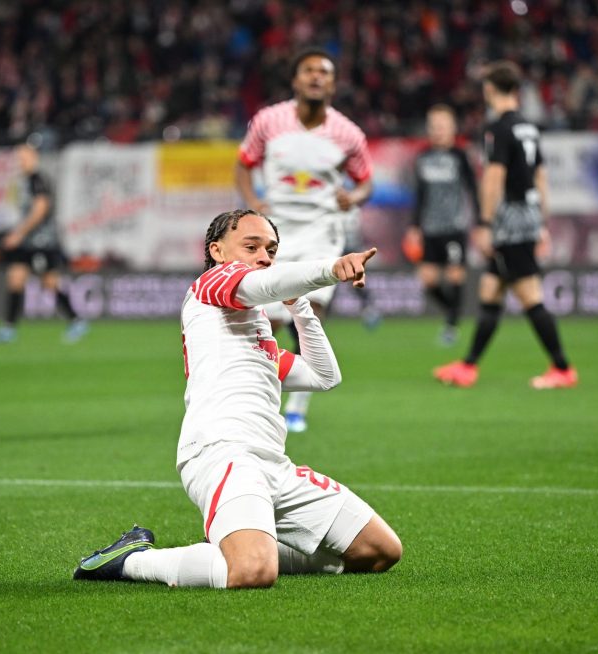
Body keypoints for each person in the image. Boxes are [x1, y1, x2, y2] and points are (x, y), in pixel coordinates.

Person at [72, 209, 401, 589]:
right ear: (217, 251)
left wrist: (299, 305)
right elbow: (264, 284)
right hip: (222, 452)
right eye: (251, 246)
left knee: (380, 551)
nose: (264, 256)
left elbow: (324, 376)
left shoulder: (255, 338)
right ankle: (130, 560)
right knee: (252, 572)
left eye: (271, 250)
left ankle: (235, 548)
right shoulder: (210, 286)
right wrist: (330, 269)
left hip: (274, 465)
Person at [235, 48, 374, 433]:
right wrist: (251, 203)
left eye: (324, 72)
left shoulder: (348, 133)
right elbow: (243, 164)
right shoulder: (268, 121)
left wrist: (354, 198)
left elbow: (366, 181)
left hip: (321, 231)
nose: (316, 77)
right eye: (309, 70)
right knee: (268, 318)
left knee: (308, 311)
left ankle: (297, 407)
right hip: (274, 232)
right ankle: (256, 398)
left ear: (333, 84)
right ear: (295, 80)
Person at [434, 62, 578, 389]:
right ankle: (468, 366)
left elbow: (494, 177)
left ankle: (562, 368)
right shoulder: (529, 128)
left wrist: (485, 223)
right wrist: (542, 221)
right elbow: (540, 176)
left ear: (489, 90)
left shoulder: (498, 128)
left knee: (529, 294)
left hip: (510, 220)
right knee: (490, 290)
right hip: (528, 214)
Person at [0, 143, 88, 344]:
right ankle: (8, 328)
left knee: (49, 282)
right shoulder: (23, 181)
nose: (20, 162)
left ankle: (76, 320)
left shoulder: (38, 180)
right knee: (15, 278)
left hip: (42, 242)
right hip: (27, 242)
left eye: (24, 158)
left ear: (34, 158)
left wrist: (19, 233)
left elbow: (40, 210)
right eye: (18, 158)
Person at [407, 105, 480, 346]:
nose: (437, 130)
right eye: (433, 126)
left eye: (442, 126)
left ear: (452, 128)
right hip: (429, 228)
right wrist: (415, 226)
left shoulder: (460, 156)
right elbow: (420, 194)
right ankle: (453, 312)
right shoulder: (423, 158)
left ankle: (451, 326)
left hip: (454, 227)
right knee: (428, 280)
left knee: (455, 275)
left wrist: (480, 222)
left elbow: (473, 189)